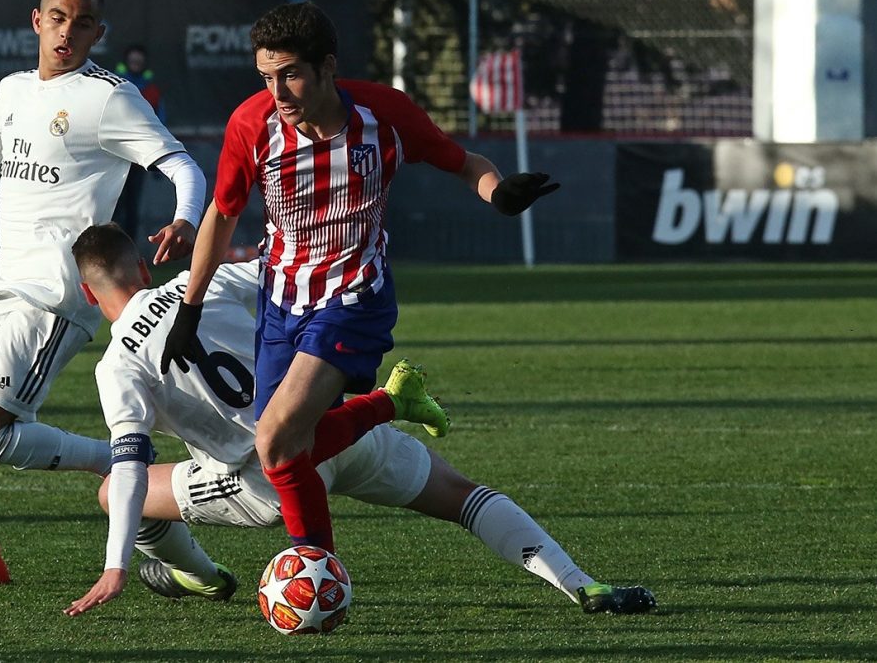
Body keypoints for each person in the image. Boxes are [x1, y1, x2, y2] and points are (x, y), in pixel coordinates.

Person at [64, 223, 654, 616]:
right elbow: (286, 268)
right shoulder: (205, 283)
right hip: (336, 425)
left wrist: (115, 566)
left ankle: (198, 575)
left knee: (114, 491)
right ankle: (581, 583)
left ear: (92, 297)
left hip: (265, 479)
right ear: (142, 268)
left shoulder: (117, 367)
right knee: (463, 496)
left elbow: (133, 468)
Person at [160, 1, 560, 554]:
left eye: (291, 75)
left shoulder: (385, 114)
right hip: (281, 300)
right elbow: (222, 216)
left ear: (327, 68)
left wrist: (499, 193)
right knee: (281, 454)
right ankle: (332, 538)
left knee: (276, 439)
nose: (278, 93)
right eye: (267, 77)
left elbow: (464, 162)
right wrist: (190, 307)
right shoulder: (252, 124)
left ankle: (317, 570)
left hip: (354, 296)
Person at [0, 0, 206, 587]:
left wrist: (186, 220)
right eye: (58, 18)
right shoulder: (12, 89)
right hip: (3, 277)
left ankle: (115, 461)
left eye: (82, 22)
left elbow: (182, 165)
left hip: (57, 295)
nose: (68, 31)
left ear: (98, 32)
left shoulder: (111, 98)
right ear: (37, 21)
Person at [112, 44, 165, 242]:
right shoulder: (116, 84)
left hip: (139, 159)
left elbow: (159, 122)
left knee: (132, 207)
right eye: (133, 60)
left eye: (139, 61)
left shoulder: (151, 90)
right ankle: (111, 252)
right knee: (114, 206)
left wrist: (160, 158)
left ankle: (130, 254)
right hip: (115, 157)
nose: (136, 64)